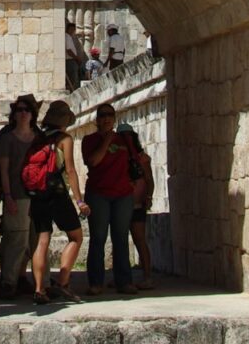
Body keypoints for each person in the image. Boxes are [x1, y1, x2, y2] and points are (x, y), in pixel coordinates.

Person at [28, 101, 86, 304]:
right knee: (76, 237)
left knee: (42, 241)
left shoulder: (37, 137)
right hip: (57, 194)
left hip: (37, 194)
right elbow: (70, 170)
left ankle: (39, 289)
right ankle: (62, 282)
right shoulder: (64, 139)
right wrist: (79, 201)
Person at [79, 104, 138, 294]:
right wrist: (107, 141)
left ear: (114, 118)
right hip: (99, 194)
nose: (106, 119)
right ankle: (96, 282)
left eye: (110, 115)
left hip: (123, 194)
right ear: (97, 120)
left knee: (121, 237)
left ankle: (124, 281)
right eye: (103, 115)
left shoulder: (124, 140)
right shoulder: (89, 140)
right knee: (98, 238)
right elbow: (93, 161)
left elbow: (136, 161)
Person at [0, 95, 40, 297]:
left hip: (37, 196)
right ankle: (8, 282)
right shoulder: (7, 138)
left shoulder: (39, 138)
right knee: (16, 240)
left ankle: (30, 280)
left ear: (32, 114)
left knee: (34, 240)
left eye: (26, 110)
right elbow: (4, 171)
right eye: (19, 110)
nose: (23, 113)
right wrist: (8, 195)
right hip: (17, 195)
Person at [120, 122, 155, 290]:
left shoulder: (142, 158)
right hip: (120, 202)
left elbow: (149, 179)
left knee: (139, 240)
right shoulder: (117, 157)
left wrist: (148, 196)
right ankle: (122, 278)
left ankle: (147, 276)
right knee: (120, 241)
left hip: (136, 204)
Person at [64, 22, 84, 90]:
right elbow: (69, 50)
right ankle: (70, 91)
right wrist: (77, 58)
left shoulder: (67, 37)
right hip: (70, 60)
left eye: (73, 30)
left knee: (71, 79)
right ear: (68, 29)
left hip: (70, 60)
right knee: (71, 79)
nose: (72, 31)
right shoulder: (67, 37)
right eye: (71, 29)